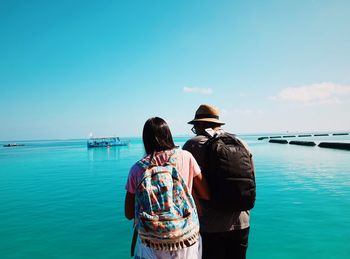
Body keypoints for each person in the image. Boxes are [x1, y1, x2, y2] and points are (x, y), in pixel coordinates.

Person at [125, 117, 209, 259]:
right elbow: (205, 193)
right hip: (185, 239)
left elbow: (128, 213)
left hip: (150, 243)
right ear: (168, 135)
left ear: (145, 139)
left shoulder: (137, 169)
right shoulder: (186, 157)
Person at [183, 104, 254, 259]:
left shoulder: (193, 145)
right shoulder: (240, 142)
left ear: (199, 124)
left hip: (210, 225)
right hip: (242, 222)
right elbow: (251, 178)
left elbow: (184, 185)